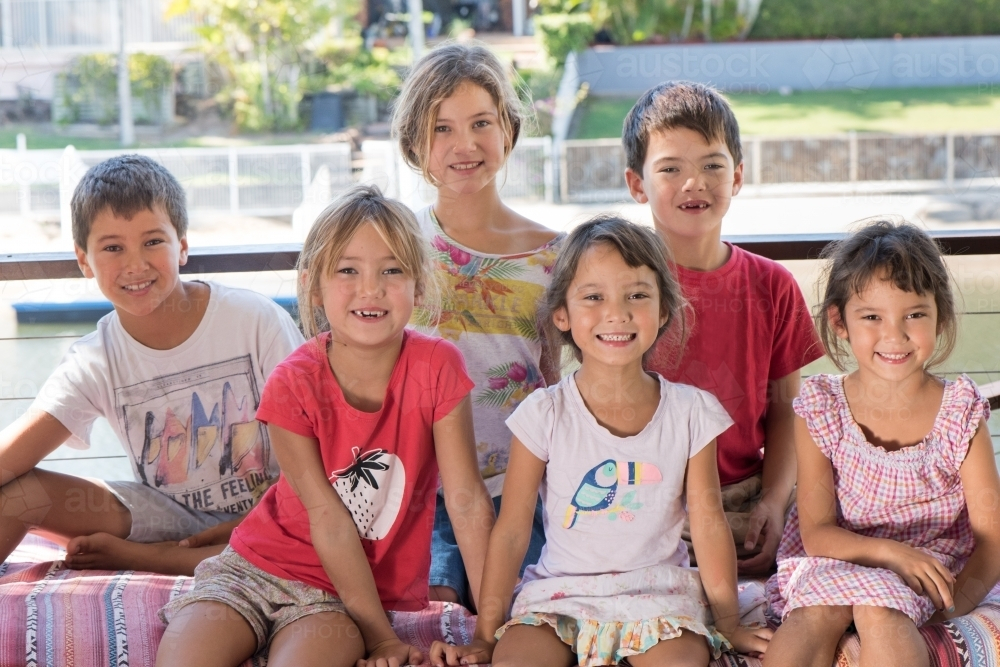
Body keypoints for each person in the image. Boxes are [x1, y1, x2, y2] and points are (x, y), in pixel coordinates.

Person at [156, 185, 495, 667]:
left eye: (392, 270)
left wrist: (488, 631)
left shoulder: (438, 368)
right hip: (253, 567)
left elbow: (466, 500)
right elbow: (328, 517)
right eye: (348, 270)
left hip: (337, 596)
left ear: (418, 286)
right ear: (315, 286)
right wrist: (382, 639)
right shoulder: (293, 383)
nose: (370, 289)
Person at [430, 216, 772, 667]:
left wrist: (728, 623)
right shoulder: (544, 413)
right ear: (562, 315)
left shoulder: (691, 412)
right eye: (594, 297)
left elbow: (708, 523)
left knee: (684, 662)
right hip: (558, 596)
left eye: (637, 295)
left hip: (659, 594)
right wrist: (486, 634)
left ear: (664, 311)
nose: (617, 313)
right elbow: (512, 531)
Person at [0, 155, 303, 576]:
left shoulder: (256, 320)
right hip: (167, 517)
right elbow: (11, 455)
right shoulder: (96, 356)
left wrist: (252, 524)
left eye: (152, 242)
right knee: (18, 494)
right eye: (112, 248)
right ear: (84, 260)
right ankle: (185, 555)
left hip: (275, 510)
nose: (135, 265)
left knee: (309, 516)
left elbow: (317, 459)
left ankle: (152, 560)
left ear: (181, 245)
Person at [763, 220, 1000, 667]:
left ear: (940, 316)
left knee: (880, 611)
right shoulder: (821, 406)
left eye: (914, 314)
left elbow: (993, 538)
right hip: (840, 553)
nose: (895, 335)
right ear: (840, 321)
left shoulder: (960, 411)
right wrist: (890, 554)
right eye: (872, 316)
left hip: (930, 564)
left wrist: (951, 605)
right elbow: (816, 533)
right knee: (814, 613)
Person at [623, 81, 822, 574]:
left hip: (748, 491)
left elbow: (784, 413)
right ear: (637, 184)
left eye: (712, 166)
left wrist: (774, 503)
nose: (694, 183)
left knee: (818, 555)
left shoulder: (772, 284)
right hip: (649, 496)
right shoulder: (620, 286)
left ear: (736, 177)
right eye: (670, 169)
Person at [393, 41, 563, 606]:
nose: (463, 145)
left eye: (481, 123)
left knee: (525, 611)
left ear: (508, 131)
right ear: (414, 143)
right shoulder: (393, 246)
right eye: (441, 128)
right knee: (434, 613)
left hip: (524, 487)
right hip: (416, 488)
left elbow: (558, 378)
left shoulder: (554, 255)